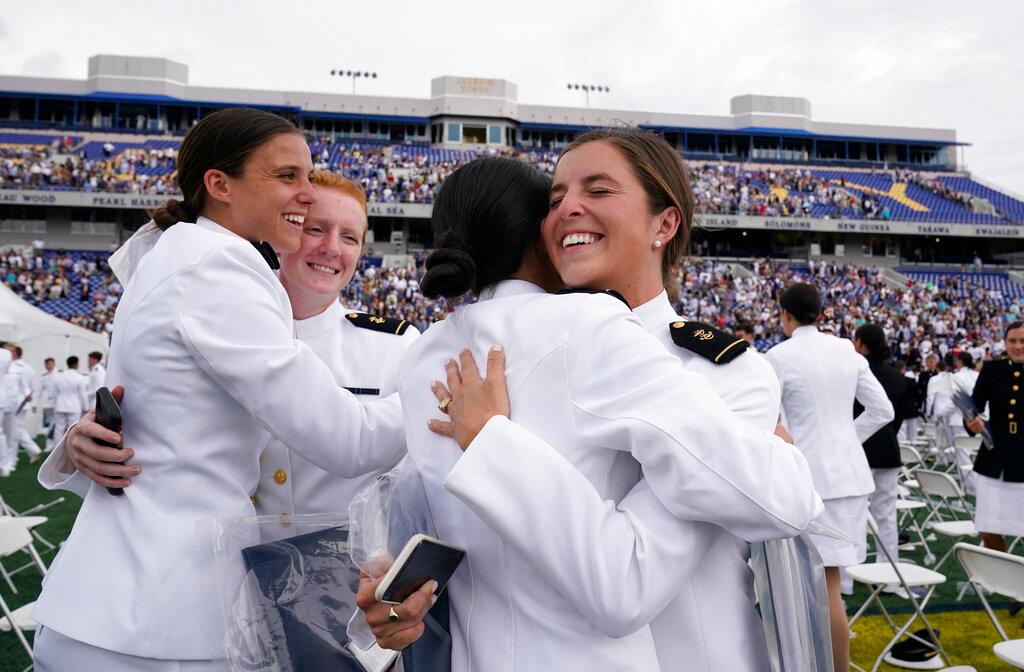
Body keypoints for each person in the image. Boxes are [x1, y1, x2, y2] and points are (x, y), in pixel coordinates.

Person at [358, 154, 819, 671]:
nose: (569, 210)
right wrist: (396, 591)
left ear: (664, 224)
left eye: (598, 191)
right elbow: (618, 581)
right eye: (554, 202)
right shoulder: (569, 329)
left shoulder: (726, 369)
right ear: (535, 232)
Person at [31, 108, 411, 672]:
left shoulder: (180, 256)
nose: (306, 199)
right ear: (219, 185)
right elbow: (348, 439)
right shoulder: (220, 269)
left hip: (236, 603)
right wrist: (447, 401)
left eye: (351, 236)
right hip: (165, 618)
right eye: (288, 178)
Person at [766, 283, 894, 672]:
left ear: (785, 314)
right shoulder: (845, 350)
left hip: (807, 476)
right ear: (819, 314)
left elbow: (772, 420)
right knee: (825, 585)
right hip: (849, 478)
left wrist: (816, 444)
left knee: (817, 588)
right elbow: (881, 410)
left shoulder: (777, 356)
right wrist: (844, 441)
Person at [852, 324, 910, 578]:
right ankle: (888, 576)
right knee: (886, 515)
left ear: (861, 344)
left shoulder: (855, 371)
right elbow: (897, 419)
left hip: (858, 447)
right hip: (888, 449)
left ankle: (846, 579)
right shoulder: (896, 375)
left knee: (853, 514)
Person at [965, 321, 1024, 563]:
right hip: (994, 457)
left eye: (1022, 341)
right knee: (988, 529)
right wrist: (972, 421)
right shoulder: (991, 370)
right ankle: (1011, 586)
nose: (1018, 346)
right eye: (1012, 341)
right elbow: (973, 406)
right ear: (1005, 342)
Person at [2, 345, 42, 470]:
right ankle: (32, 450)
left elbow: (26, 387)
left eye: (10, 351)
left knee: (12, 432)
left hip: (16, 403)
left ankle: (11, 461)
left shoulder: (19, 367)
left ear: (15, 354)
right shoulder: (28, 367)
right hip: (15, 402)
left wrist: (27, 398)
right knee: (16, 430)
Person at [49, 355, 89, 457]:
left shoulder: (58, 376)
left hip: (60, 405)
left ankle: (56, 452)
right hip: (74, 406)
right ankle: (71, 450)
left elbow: (53, 392)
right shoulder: (79, 377)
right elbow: (82, 394)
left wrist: (55, 403)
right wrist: (86, 407)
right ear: (76, 364)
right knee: (72, 429)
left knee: (59, 429)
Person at [37, 357, 57, 451]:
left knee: (58, 425)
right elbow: (39, 391)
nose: (49, 366)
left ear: (53, 364)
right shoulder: (44, 377)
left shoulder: (59, 374)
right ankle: (49, 444)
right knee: (49, 425)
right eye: (47, 364)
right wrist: (35, 404)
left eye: (50, 363)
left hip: (59, 404)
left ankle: (57, 444)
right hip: (49, 405)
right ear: (45, 365)